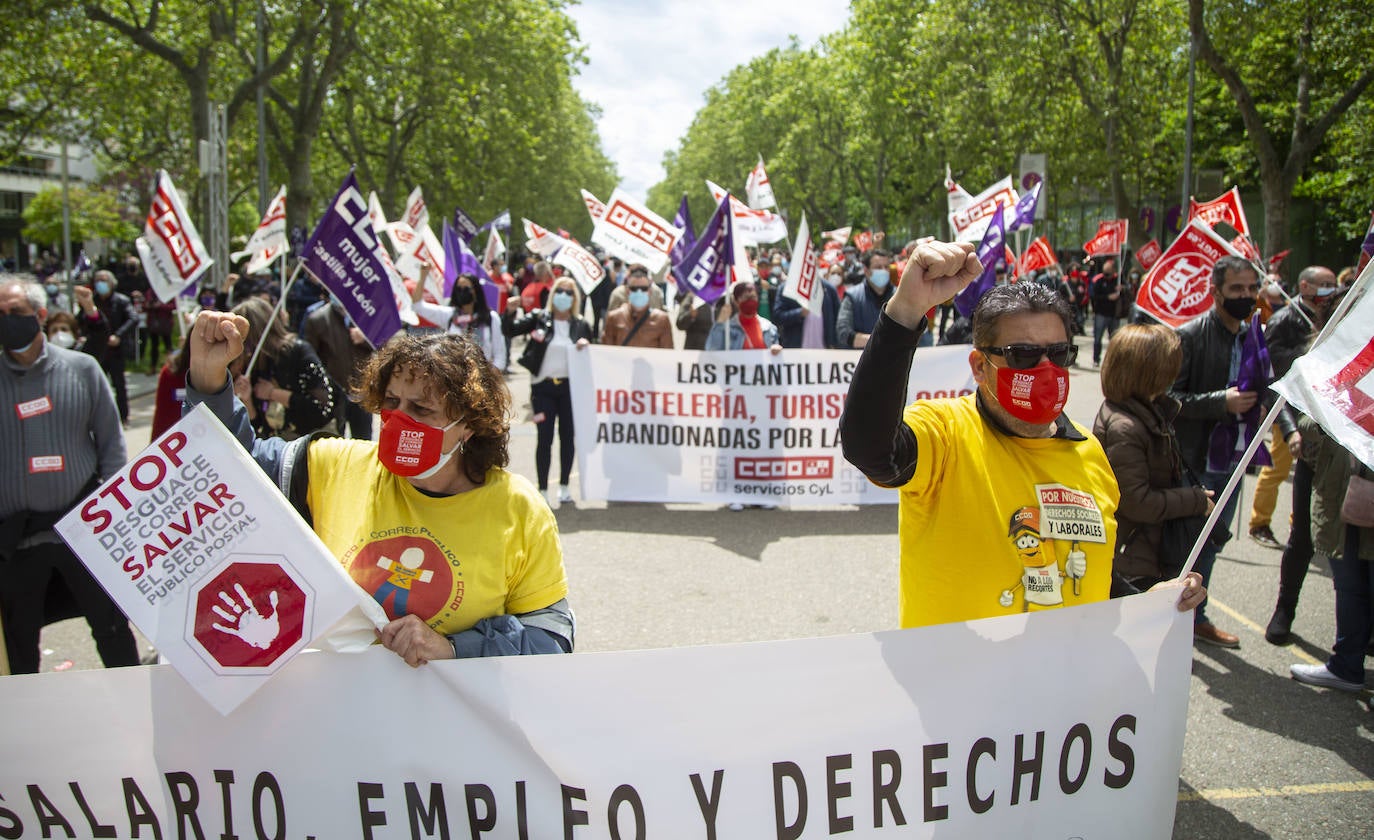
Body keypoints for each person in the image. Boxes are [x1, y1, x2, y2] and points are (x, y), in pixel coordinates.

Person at [840, 241, 1205, 629]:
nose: (1045, 369)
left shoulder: (1091, 453)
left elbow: (1086, 573)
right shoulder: (945, 433)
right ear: (980, 366)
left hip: (1063, 682)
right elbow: (871, 449)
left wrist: (1146, 602)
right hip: (956, 683)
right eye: (1023, 355)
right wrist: (906, 311)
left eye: (1059, 353)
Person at [183, 312, 573, 663]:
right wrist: (208, 378)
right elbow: (228, 470)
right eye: (391, 402)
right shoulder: (335, 466)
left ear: (469, 425)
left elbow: (551, 639)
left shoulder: (518, 509)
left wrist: (453, 648)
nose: (399, 421)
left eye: (422, 410)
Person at [0, 279, 140, 674]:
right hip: (17, 542)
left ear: (41, 315)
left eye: (15, 313)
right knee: (19, 645)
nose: (6, 322)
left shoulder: (82, 370)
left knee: (112, 631)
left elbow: (112, 444)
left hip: (81, 533)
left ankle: (134, 717)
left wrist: (115, 513)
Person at [1171, 255, 1300, 648]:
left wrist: (1288, 428)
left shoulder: (1254, 336)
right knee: (1185, 542)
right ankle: (1171, 616)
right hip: (1195, 460)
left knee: (1214, 540)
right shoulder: (1190, 335)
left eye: (1250, 289)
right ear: (1216, 293)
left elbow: (1274, 389)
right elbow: (1169, 399)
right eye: (1236, 290)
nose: (1245, 297)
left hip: (1236, 458)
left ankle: (1193, 617)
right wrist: (1220, 402)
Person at [1093, 325, 1215, 590]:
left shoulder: (1147, 411)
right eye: (1171, 366)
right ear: (1151, 372)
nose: (1176, 373)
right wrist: (1195, 500)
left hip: (1145, 549)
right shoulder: (1126, 426)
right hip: (1132, 558)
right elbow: (1137, 501)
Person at [1249, 266, 1336, 551]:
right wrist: (1306, 351)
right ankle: (1259, 522)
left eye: (1332, 284)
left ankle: (1297, 525)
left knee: (1310, 473)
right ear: (1305, 286)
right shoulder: (1285, 318)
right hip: (1287, 405)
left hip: (1317, 405)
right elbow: (1271, 363)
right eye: (1324, 284)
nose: (1330, 289)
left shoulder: (1330, 315)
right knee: (1277, 467)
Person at [1288, 416, 1372, 692]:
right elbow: (1308, 422)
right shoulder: (1346, 375)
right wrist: (1339, 419)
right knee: (1348, 586)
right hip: (1343, 497)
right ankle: (1346, 666)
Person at [508, 275, 593, 506]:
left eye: (569, 293)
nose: (564, 296)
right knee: (544, 438)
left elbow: (592, 358)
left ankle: (565, 487)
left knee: (568, 437)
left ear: (575, 298)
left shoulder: (581, 324)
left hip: (569, 389)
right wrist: (509, 310)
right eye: (560, 291)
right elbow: (511, 330)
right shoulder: (539, 318)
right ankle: (543, 488)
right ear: (553, 294)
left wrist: (585, 346)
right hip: (542, 388)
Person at [232, 298, 339, 441]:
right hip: (275, 452)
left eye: (247, 340)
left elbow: (322, 408)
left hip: (311, 446)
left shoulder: (297, 351)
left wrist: (273, 393)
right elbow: (257, 429)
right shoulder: (247, 368)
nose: (244, 349)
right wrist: (247, 401)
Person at [303, 296, 377, 440]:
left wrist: (366, 338)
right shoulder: (317, 319)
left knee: (363, 441)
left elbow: (383, 345)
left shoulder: (366, 316)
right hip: (334, 394)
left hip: (360, 391)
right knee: (334, 441)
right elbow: (311, 358)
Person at [412, 272, 507, 370]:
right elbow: (417, 306)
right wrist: (423, 275)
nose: (462, 292)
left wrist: (490, 377)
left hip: (484, 377)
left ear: (476, 291)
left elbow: (500, 355)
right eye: (459, 289)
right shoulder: (450, 316)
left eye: (466, 289)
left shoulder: (490, 318)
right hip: (456, 378)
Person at [85, 269, 137, 425]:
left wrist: (119, 336)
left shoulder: (121, 301)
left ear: (112, 283)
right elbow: (82, 320)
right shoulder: (92, 301)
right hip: (97, 351)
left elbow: (133, 318)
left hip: (115, 351)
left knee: (119, 385)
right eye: (98, 280)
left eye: (104, 280)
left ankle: (123, 417)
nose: (100, 283)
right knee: (96, 386)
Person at [601, 264, 673, 348]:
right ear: (627, 291)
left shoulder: (662, 320)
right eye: (634, 289)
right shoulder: (614, 317)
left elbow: (667, 353)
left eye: (644, 288)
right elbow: (605, 351)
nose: (639, 292)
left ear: (650, 291)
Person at [836, 248, 895, 349]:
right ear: (866, 271)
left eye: (886, 267)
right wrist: (877, 341)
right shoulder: (852, 296)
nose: (884, 271)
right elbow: (843, 333)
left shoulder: (899, 296)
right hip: (860, 360)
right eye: (878, 267)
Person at [705, 281, 781, 351]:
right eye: (746, 298)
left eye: (753, 297)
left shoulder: (769, 328)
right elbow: (711, 351)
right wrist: (720, 322)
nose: (750, 301)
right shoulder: (727, 328)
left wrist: (777, 351)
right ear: (736, 301)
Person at [1089, 258, 1121, 366]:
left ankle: (1112, 361)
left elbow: (1128, 292)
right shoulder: (1098, 280)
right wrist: (1107, 297)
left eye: (1109, 269)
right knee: (1097, 338)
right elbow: (1093, 296)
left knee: (1114, 340)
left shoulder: (1118, 280)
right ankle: (1096, 359)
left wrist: (1122, 289)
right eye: (1105, 269)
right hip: (1101, 314)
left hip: (1114, 314)